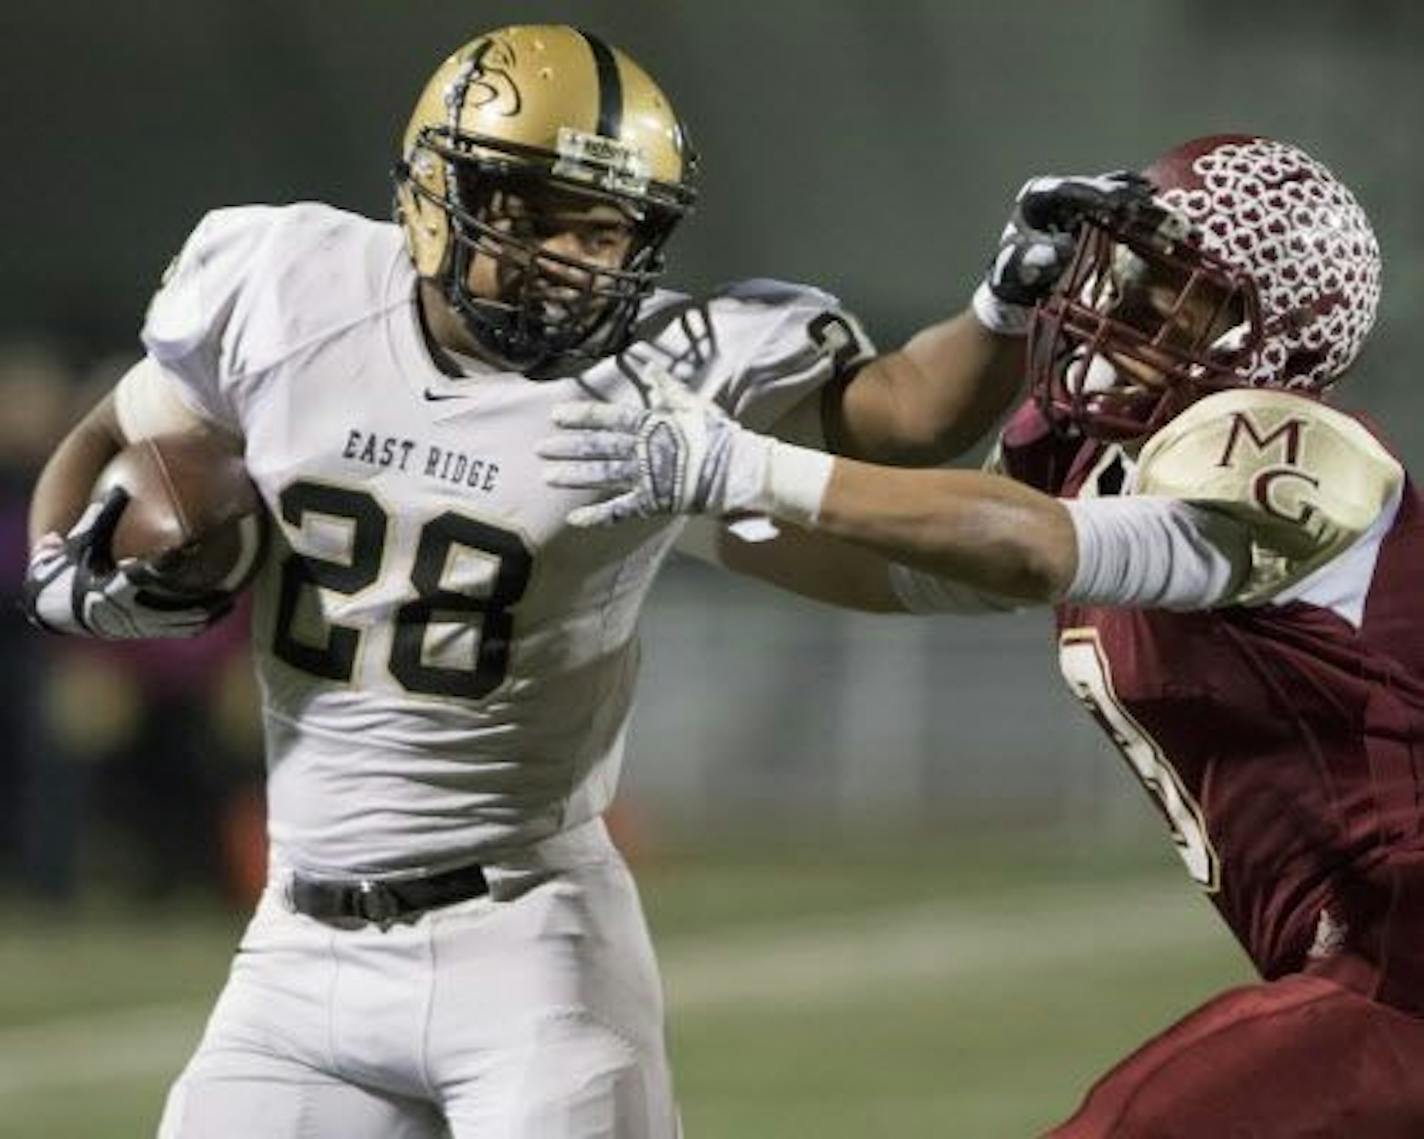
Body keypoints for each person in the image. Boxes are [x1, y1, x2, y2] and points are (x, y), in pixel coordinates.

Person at [18, 22, 1113, 1139]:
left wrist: (1005, 305)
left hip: (528, 945)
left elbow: (905, 418)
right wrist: (63, 574)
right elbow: (124, 428)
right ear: (437, 195)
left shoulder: (667, 363)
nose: (570, 260)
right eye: (533, 216)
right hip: (297, 940)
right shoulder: (285, 280)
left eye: (605, 230)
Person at [542, 134, 1424, 1136]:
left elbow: (1031, 549)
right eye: (1135, 270)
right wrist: (670, 518)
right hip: (1365, 968)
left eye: (1184, 292)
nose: (1129, 307)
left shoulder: (1301, 454)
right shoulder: (1089, 454)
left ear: (1280, 340)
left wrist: (746, 466)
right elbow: (916, 567)